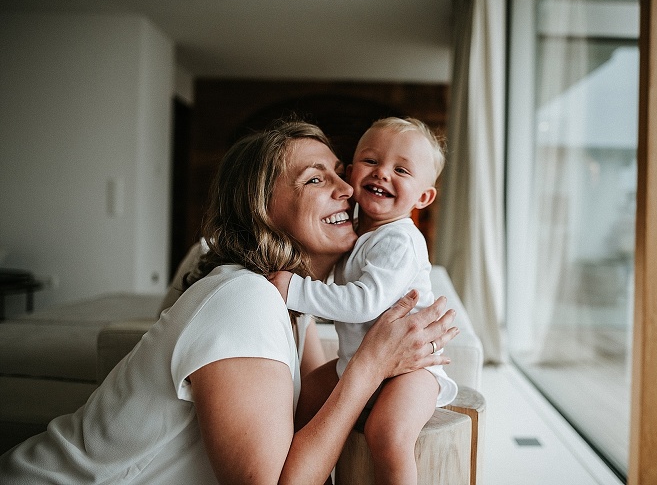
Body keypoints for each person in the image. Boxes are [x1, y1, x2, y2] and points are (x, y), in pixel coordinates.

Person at [0, 119, 458, 484]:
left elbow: (306, 411)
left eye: (340, 170)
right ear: (262, 209)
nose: (346, 188)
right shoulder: (244, 301)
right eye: (316, 179)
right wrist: (371, 365)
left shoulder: (285, 305)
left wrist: (393, 360)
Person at [270, 117, 457, 484]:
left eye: (401, 169)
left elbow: (364, 303)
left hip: (410, 371)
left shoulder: (399, 240)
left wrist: (294, 289)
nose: (383, 173)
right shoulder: (355, 235)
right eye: (372, 162)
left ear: (423, 196)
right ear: (352, 172)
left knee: (387, 435)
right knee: (304, 396)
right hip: (357, 363)